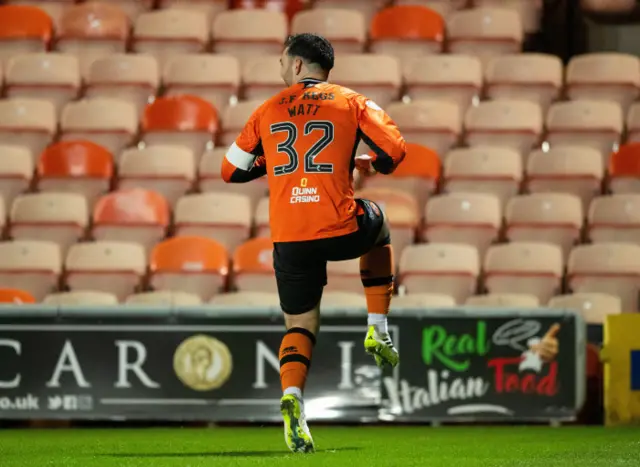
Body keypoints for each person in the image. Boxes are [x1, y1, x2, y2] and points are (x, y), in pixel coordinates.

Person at [221, 33, 406, 453]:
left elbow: (230, 170)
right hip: (338, 226)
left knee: (300, 326)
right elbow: (395, 151)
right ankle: (378, 329)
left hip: (290, 237)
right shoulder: (351, 101)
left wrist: (274, 161)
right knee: (379, 223)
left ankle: (293, 398)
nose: (281, 70)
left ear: (300, 65)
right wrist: (370, 161)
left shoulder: (267, 109)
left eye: (284, 62)